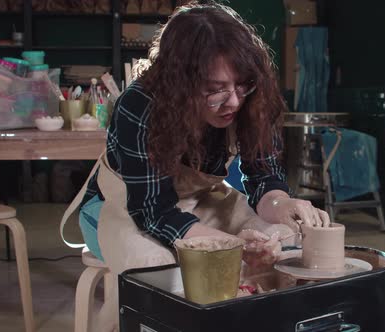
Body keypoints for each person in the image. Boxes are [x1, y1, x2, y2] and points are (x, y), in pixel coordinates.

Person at [61, 1, 330, 330]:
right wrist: (229, 246)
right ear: (180, 84)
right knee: (157, 270)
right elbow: (153, 211)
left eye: (240, 84)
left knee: (284, 241)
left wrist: (282, 203)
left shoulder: (254, 97)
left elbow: (263, 177)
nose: (232, 101)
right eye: (215, 90)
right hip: (126, 206)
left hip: (203, 200)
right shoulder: (140, 104)